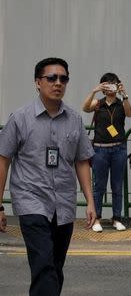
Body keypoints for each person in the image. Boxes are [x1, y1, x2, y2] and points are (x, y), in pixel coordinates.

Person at [0, 57, 96, 296]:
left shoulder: (74, 120)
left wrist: (91, 202)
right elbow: (3, 161)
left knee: (54, 267)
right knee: (43, 264)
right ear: (37, 82)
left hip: (63, 204)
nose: (58, 83)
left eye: (63, 78)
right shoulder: (20, 118)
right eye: (51, 78)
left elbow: (82, 161)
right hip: (31, 201)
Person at [82, 72, 131, 232]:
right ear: (104, 87)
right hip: (100, 150)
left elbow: (130, 113)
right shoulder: (98, 103)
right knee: (99, 186)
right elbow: (84, 108)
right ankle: (96, 218)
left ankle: (117, 217)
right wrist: (94, 91)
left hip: (119, 148)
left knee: (117, 185)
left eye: (114, 83)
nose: (111, 86)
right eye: (107, 84)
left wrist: (124, 94)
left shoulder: (120, 103)